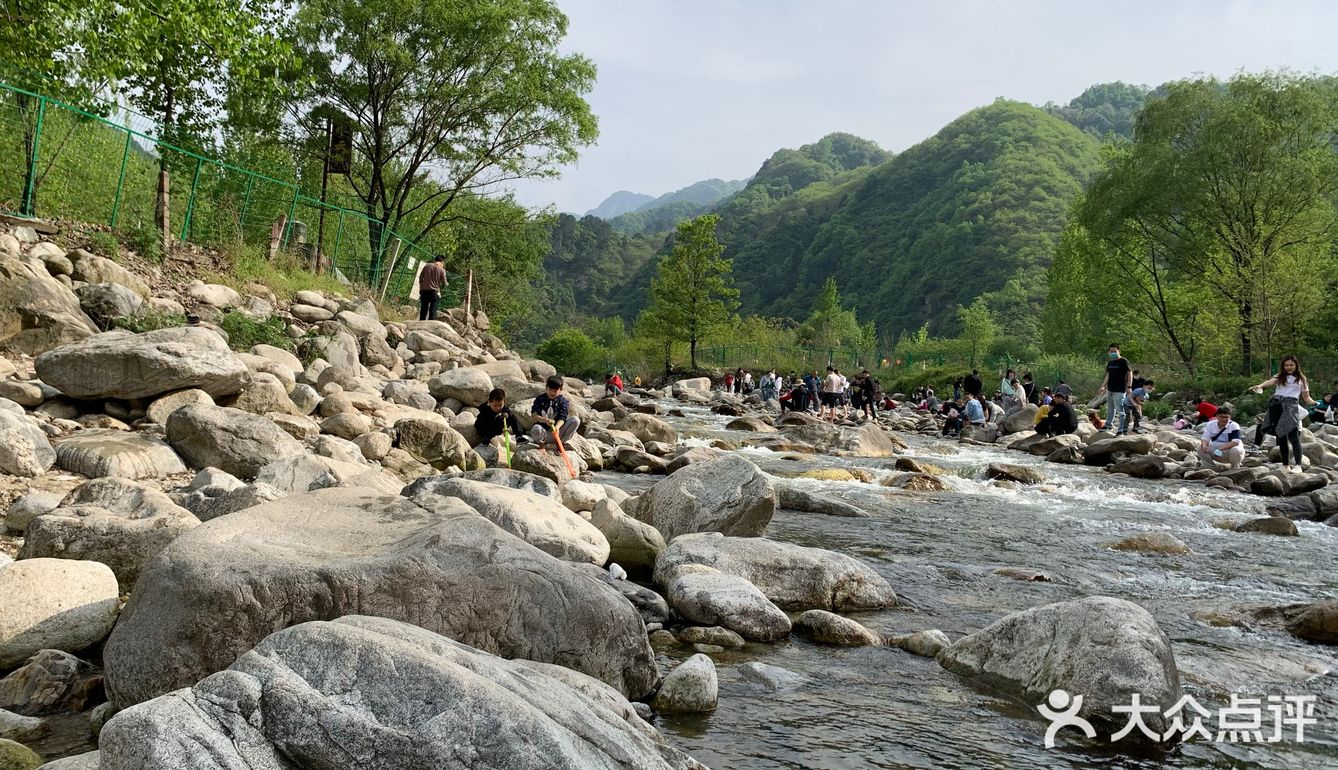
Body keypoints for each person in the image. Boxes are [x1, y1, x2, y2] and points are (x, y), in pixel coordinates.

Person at [1251, 355, 1315, 473]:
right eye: (1286, 365)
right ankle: (1285, 465)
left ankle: (1298, 465)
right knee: (1281, 436)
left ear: (1296, 365)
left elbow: (1306, 397)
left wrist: (1314, 402)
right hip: (1277, 405)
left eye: (1291, 365)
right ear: (1283, 366)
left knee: (1294, 436)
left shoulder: (1301, 379)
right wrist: (1260, 386)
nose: (1289, 367)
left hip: (1291, 406)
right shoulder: (1280, 377)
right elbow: (1270, 382)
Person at [530, 376, 580, 451]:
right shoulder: (540, 399)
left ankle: (560, 443)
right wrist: (545, 420)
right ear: (546, 388)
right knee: (536, 429)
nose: (552, 392)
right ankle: (541, 444)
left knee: (575, 420)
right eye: (550, 389)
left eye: (555, 390)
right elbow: (534, 415)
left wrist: (557, 426)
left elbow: (562, 417)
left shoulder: (562, 401)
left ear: (560, 390)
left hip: (558, 433)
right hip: (544, 433)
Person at [1097, 343, 1132, 432]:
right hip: (1110, 389)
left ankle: (1122, 429)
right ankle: (1108, 425)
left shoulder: (1123, 361)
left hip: (1119, 390)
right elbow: (1108, 375)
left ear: (1119, 351)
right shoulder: (1110, 363)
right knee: (1110, 409)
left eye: (1115, 351)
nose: (1113, 353)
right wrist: (1102, 386)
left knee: (1120, 410)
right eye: (1111, 351)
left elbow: (1129, 373)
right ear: (1109, 352)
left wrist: (1129, 386)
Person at [1198, 406, 1246, 470]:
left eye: (1226, 417)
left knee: (1236, 450)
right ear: (1217, 416)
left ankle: (1235, 468)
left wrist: (1220, 449)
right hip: (1217, 449)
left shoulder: (1234, 425)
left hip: (1230, 450)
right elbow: (1205, 437)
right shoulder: (1210, 425)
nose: (1224, 419)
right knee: (1200, 448)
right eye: (1221, 417)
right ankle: (1211, 469)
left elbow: (1235, 442)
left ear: (1230, 417)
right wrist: (1204, 445)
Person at [418, 254, 448, 321]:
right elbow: (445, 283)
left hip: (424, 291)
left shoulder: (427, 266)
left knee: (423, 310)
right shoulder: (442, 270)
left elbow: (420, 277)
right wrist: (447, 284)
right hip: (434, 293)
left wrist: (421, 287)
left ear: (435, 260)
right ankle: (430, 327)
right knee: (432, 311)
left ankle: (420, 324)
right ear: (442, 262)